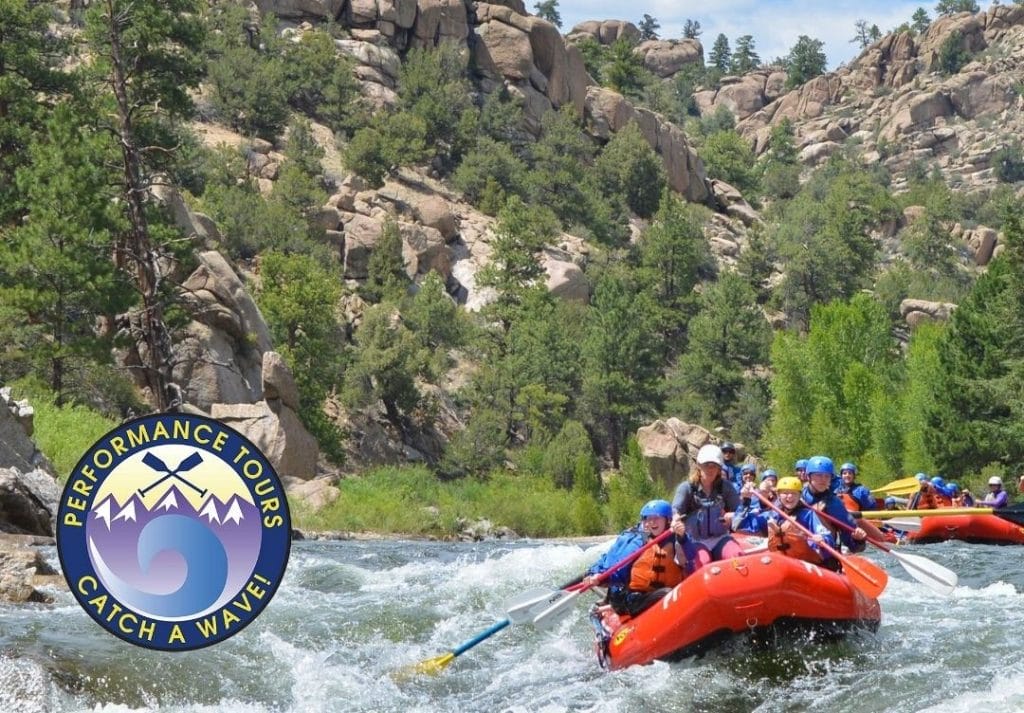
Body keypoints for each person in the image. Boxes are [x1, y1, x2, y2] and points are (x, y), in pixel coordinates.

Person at [584, 500, 693, 617]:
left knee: (669, 593)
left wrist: (683, 538)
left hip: (663, 594)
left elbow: (691, 558)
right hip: (634, 598)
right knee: (666, 593)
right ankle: (609, 607)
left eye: (656, 518)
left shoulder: (677, 538)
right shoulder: (638, 541)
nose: (652, 522)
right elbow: (617, 567)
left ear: (668, 520)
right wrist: (599, 578)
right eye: (648, 518)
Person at [672, 444, 744, 570]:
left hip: (720, 537)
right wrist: (676, 519)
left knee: (737, 556)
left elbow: (739, 510)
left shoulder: (726, 487)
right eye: (706, 465)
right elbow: (676, 510)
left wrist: (734, 515)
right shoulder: (687, 488)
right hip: (695, 540)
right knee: (703, 563)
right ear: (699, 466)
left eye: (714, 466)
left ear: (719, 468)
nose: (710, 469)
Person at [801, 456, 867, 553]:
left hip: (823, 555)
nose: (823, 480)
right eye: (819, 475)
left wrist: (859, 540)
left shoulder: (834, 503)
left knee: (819, 511)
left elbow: (853, 545)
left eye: (827, 476)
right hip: (798, 551)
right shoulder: (797, 496)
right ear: (808, 477)